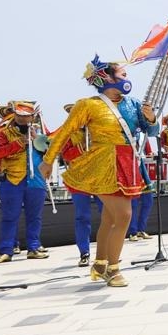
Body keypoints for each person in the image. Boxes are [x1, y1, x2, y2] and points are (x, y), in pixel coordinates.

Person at [40, 56, 159, 287]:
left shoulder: (133, 104)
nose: (127, 79)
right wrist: (48, 160)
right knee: (124, 215)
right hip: (101, 163)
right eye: (123, 75)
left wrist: (152, 119)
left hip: (128, 162)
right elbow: (65, 132)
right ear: (107, 77)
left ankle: (100, 264)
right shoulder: (88, 105)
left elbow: (150, 132)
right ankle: (113, 270)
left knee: (110, 217)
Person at [0, 101, 50, 263]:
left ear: (33, 116)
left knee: (35, 217)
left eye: (26, 116)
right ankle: (6, 251)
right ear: (14, 114)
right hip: (12, 179)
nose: (23, 119)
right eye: (20, 115)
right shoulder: (2, 131)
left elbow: (53, 151)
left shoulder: (41, 130)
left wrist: (40, 141)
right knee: (9, 216)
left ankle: (34, 248)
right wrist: (19, 144)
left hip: (37, 179)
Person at [58, 102, 102, 266]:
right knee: (82, 217)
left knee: (107, 214)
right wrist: (82, 149)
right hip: (79, 179)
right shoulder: (68, 132)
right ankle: (84, 252)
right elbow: (66, 154)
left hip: (100, 178)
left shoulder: (99, 129)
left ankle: (107, 251)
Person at [126, 136, 155, 240]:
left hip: (140, 164)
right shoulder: (125, 131)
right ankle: (132, 232)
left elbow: (148, 150)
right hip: (129, 164)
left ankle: (141, 229)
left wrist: (151, 153)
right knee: (133, 203)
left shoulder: (144, 133)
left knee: (148, 200)